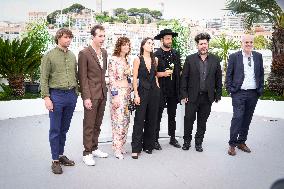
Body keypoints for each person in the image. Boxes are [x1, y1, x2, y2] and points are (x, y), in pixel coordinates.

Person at [40, 28, 78, 174]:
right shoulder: (49, 56)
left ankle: (61, 155)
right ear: (58, 38)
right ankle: (55, 160)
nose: (68, 40)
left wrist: (76, 93)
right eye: (66, 37)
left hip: (71, 96)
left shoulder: (72, 56)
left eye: (70, 38)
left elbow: (75, 75)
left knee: (64, 128)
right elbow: (43, 78)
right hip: (56, 96)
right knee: (55, 129)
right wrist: (46, 97)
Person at [180, 32, 222, 152]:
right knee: (188, 120)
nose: (203, 46)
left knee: (202, 122)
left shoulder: (215, 60)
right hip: (192, 97)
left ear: (208, 44)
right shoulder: (190, 59)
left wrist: (218, 94)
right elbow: (184, 78)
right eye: (201, 43)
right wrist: (184, 94)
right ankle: (187, 142)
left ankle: (199, 143)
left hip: (207, 97)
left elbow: (218, 78)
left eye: (205, 43)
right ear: (197, 45)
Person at [226, 33, 264, 156]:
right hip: (239, 93)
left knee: (247, 118)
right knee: (237, 118)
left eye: (250, 42)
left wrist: (260, 89)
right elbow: (229, 75)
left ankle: (241, 142)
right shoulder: (234, 57)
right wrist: (231, 89)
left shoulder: (258, 56)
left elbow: (261, 74)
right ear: (241, 43)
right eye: (246, 42)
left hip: (253, 93)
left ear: (253, 43)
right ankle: (232, 144)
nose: (248, 44)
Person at [78, 25, 109, 166]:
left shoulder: (104, 53)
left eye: (104, 36)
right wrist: (86, 97)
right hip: (91, 95)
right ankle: (87, 152)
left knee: (98, 124)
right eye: (100, 36)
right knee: (89, 125)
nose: (102, 38)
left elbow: (103, 74)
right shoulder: (84, 53)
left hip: (103, 93)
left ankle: (94, 148)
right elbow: (82, 78)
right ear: (93, 37)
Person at [131, 37, 160, 159]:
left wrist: (158, 87)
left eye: (152, 43)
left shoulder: (155, 59)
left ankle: (148, 145)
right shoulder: (138, 59)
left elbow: (155, 75)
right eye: (149, 43)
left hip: (154, 91)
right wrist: (136, 94)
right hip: (142, 92)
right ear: (143, 45)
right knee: (139, 119)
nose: (151, 45)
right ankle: (136, 148)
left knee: (152, 119)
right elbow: (134, 78)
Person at [153, 29, 182, 150]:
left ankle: (173, 137)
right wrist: (163, 74)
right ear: (162, 40)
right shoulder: (156, 55)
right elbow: (152, 74)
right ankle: (155, 139)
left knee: (172, 115)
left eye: (171, 38)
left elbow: (179, 71)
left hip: (173, 90)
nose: (170, 41)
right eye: (167, 38)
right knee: (158, 115)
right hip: (160, 90)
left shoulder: (176, 53)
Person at [108, 37, 132, 160]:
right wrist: (115, 96)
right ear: (119, 46)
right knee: (118, 120)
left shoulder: (126, 59)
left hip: (127, 93)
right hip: (118, 93)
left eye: (128, 45)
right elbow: (111, 79)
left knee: (126, 120)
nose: (126, 47)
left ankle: (122, 145)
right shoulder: (113, 59)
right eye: (124, 45)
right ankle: (117, 148)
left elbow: (128, 77)